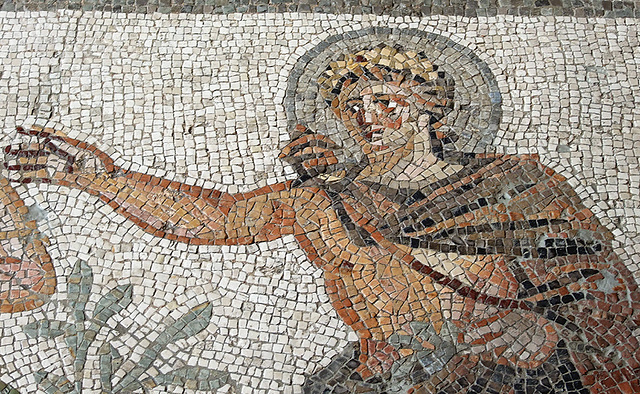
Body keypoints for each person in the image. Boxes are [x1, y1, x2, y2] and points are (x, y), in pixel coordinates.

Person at [3, 45, 639, 393]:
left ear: (430, 112)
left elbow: (603, 290)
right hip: (381, 377)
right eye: (352, 105)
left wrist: (551, 333)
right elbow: (213, 219)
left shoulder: (512, 186)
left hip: (499, 377)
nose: (366, 118)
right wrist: (94, 174)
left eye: (386, 102)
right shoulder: (325, 198)